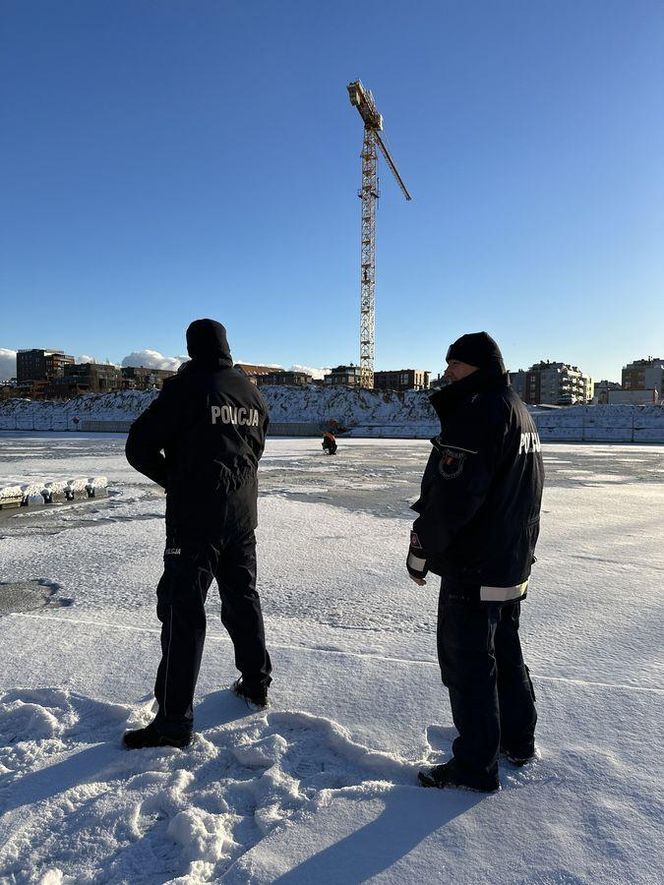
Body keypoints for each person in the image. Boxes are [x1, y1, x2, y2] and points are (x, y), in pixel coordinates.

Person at [123, 318, 272, 749]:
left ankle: (173, 721)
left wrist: (175, 478)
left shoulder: (187, 388)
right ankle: (256, 680)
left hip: (195, 520)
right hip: (242, 517)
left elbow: (138, 445)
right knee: (242, 597)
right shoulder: (250, 391)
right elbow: (256, 447)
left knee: (181, 610)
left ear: (191, 347)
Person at [408, 332, 544, 792]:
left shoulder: (479, 411)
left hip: (477, 562)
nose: (448, 373)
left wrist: (422, 544)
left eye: (455, 365)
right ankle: (517, 740)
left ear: (477, 367)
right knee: (505, 650)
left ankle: (475, 765)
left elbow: (456, 495)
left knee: (469, 662)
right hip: (511, 559)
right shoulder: (518, 410)